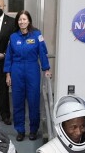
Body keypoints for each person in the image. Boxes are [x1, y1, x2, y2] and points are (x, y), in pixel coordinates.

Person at [4, 10, 52, 142]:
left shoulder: (37, 35)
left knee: (33, 101)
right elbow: (9, 57)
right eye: (20, 19)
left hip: (32, 70)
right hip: (17, 70)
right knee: (18, 102)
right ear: (17, 22)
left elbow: (42, 52)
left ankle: (33, 130)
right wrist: (8, 74)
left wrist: (46, 68)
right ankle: (20, 130)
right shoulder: (13, 37)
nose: (22, 22)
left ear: (29, 20)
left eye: (24, 19)